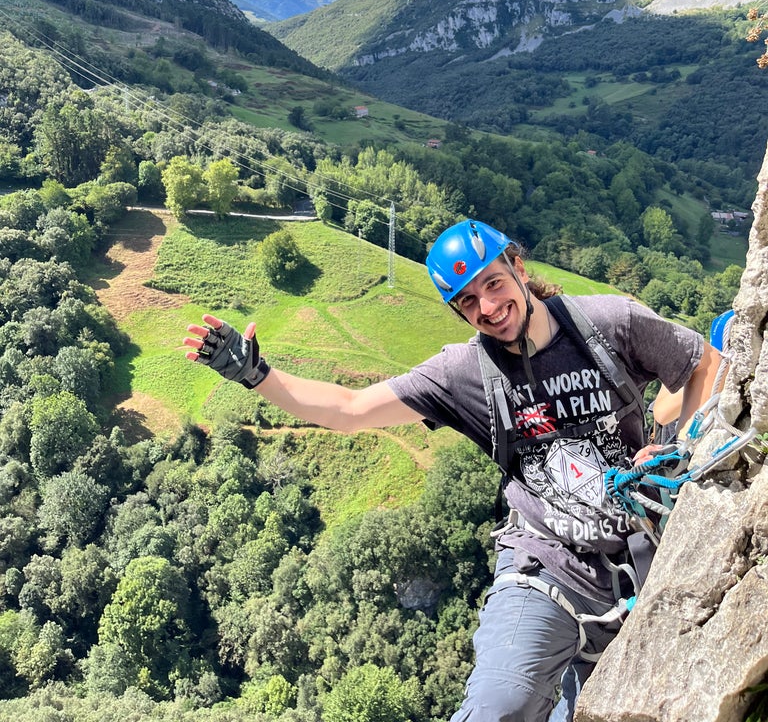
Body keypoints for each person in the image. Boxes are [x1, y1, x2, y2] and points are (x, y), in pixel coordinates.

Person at [183, 219, 722, 722]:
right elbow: (350, 408)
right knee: (500, 703)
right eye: (467, 300)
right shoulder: (464, 373)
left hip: (640, 556)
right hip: (545, 565)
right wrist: (256, 373)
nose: (488, 307)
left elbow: (703, 362)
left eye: (493, 283)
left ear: (518, 267)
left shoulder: (608, 324)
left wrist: (681, 450)